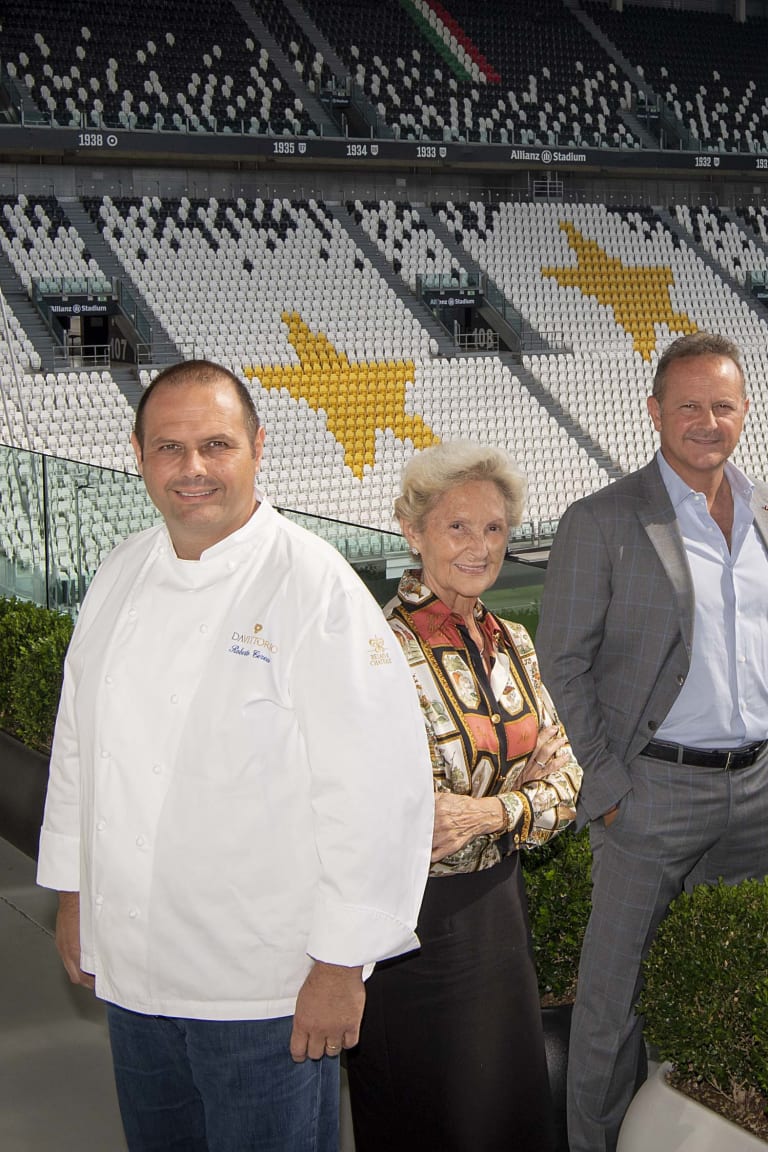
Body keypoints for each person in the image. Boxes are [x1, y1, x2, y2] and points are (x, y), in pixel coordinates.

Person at [36, 359, 435, 1152]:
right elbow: (81, 749)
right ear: (139, 454)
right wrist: (75, 895)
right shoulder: (119, 573)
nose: (192, 469)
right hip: (136, 969)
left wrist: (340, 964)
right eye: (169, 447)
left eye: (215, 445)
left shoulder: (313, 586)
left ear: (258, 446)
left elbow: (377, 789)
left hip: (265, 988)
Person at [536, 331, 768, 1152]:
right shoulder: (602, 519)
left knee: (720, 983)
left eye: (723, 405)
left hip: (756, 794)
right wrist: (608, 785)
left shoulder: (762, 512)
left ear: (745, 412)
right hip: (653, 793)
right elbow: (560, 662)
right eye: (689, 406)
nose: (707, 420)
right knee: (611, 1003)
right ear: (655, 413)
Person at [346, 441, 582, 1152]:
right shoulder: (375, 650)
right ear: (412, 531)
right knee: (430, 1118)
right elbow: (409, 814)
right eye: (458, 527)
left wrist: (491, 810)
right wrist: (524, 791)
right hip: (411, 935)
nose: (480, 547)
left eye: (494, 529)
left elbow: (570, 781)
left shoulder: (513, 640)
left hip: (500, 918)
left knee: (509, 1115)